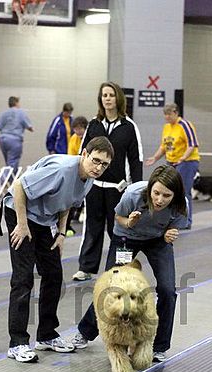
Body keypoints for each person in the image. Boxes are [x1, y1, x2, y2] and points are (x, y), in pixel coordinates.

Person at [3, 136, 114, 363]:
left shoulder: (89, 178)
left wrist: (61, 233)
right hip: (20, 212)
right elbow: (19, 186)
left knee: (54, 275)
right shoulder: (62, 170)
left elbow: (68, 204)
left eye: (104, 165)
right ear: (84, 154)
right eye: (95, 160)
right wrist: (22, 225)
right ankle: (17, 343)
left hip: (46, 221)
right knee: (23, 278)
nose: (98, 167)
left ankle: (46, 336)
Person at [72, 165, 188, 363]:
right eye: (156, 193)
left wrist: (170, 235)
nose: (160, 200)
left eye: (166, 196)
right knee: (111, 287)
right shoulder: (133, 194)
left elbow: (174, 229)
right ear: (150, 188)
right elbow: (118, 217)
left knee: (168, 290)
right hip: (126, 238)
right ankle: (85, 332)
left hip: (157, 241)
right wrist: (129, 222)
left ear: (174, 195)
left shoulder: (180, 205)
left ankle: (159, 346)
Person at [72, 81, 143, 281]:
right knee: (92, 229)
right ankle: (85, 268)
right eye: (104, 95)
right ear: (100, 99)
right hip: (93, 188)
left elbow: (136, 160)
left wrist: (136, 191)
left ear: (118, 98)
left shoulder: (129, 127)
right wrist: (79, 181)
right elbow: (82, 154)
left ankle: (123, 268)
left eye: (111, 95)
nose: (108, 99)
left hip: (118, 190)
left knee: (119, 231)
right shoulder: (93, 125)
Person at [145, 103, 200, 229]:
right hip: (171, 162)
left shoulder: (184, 125)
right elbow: (164, 146)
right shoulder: (167, 127)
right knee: (168, 191)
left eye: (169, 114)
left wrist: (183, 158)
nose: (167, 117)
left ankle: (186, 221)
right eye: (165, 114)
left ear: (176, 113)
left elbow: (192, 144)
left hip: (187, 162)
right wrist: (155, 158)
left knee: (183, 191)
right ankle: (170, 219)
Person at [0, 96, 33, 176]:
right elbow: (30, 127)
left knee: (9, 162)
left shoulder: (3, 113)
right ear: (16, 103)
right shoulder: (21, 113)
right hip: (14, 140)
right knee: (12, 163)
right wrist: (30, 128)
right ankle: (0, 183)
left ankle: (12, 183)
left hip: (3, 139)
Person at [66, 116, 89, 236]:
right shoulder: (73, 139)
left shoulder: (90, 138)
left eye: (80, 128)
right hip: (77, 171)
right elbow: (71, 156)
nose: (77, 131)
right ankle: (67, 224)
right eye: (75, 129)